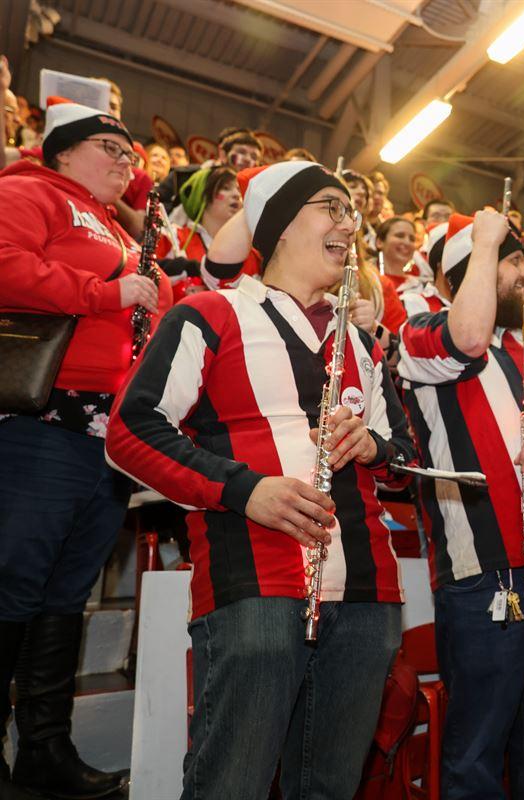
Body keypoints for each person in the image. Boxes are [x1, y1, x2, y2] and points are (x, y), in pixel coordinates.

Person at [105, 160, 417, 799]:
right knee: (232, 785)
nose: (348, 220)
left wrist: (373, 445)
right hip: (255, 585)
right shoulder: (208, 313)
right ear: (277, 227)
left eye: (350, 209)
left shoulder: (362, 343)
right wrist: (246, 488)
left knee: (330, 788)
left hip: (366, 592)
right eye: (330, 205)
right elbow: (130, 433)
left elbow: (404, 461)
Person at [395, 209, 524, 800]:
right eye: (510, 261)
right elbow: (466, 339)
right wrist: (487, 237)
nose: (523, 275)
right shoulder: (421, 335)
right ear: (466, 273)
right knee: (476, 757)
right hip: (486, 572)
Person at [0, 101, 171, 800]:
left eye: (131, 155)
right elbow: (5, 267)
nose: (126, 163)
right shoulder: (27, 190)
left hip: (106, 439)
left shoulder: (119, 229)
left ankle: (43, 749)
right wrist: (103, 293)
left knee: (67, 594)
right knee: (14, 580)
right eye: (111, 148)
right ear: (63, 151)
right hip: (43, 422)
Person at [157, 166, 261, 301]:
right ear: (203, 195)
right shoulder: (172, 237)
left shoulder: (254, 254)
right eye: (225, 188)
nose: (236, 195)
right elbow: (142, 270)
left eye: (238, 190)